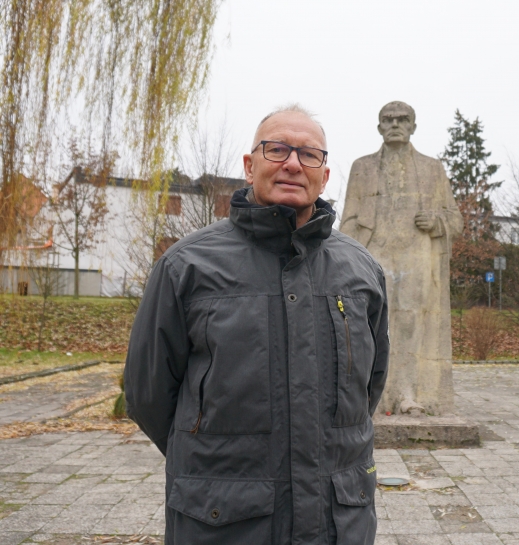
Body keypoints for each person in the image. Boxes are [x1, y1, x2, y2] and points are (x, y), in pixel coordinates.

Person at [124, 104, 389, 545]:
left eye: (308, 154)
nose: (291, 163)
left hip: (338, 519)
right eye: (277, 149)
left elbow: (369, 386)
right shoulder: (186, 266)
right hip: (223, 520)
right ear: (250, 166)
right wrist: (211, 463)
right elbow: (148, 392)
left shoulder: (361, 270)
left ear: (324, 175)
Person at [340, 101, 462, 416]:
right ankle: (371, 394)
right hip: (373, 255)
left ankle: (408, 393)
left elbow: (455, 219)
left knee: (409, 325)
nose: (395, 124)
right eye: (388, 119)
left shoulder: (432, 168)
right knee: (369, 325)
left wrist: (437, 222)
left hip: (416, 259)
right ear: (379, 126)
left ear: (413, 126)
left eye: (402, 119)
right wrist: (347, 258)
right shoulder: (362, 167)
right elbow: (349, 220)